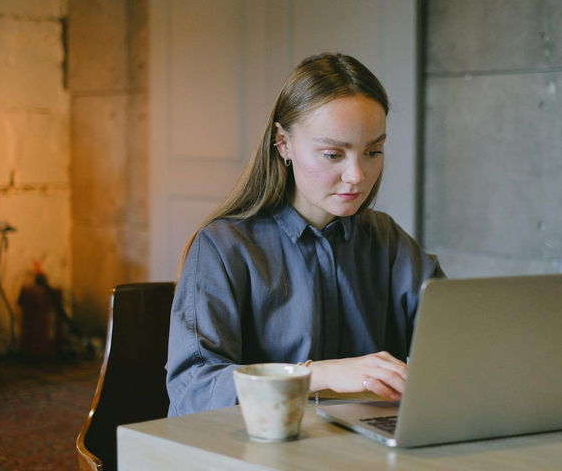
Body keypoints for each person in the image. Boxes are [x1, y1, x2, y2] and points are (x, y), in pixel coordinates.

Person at [166, 52, 444, 416]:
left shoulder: (386, 239)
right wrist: (318, 374)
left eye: (373, 151)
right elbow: (194, 389)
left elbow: (452, 342)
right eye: (333, 154)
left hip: (360, 447)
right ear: (284, 144)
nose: (357, 175)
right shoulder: (224, 247)